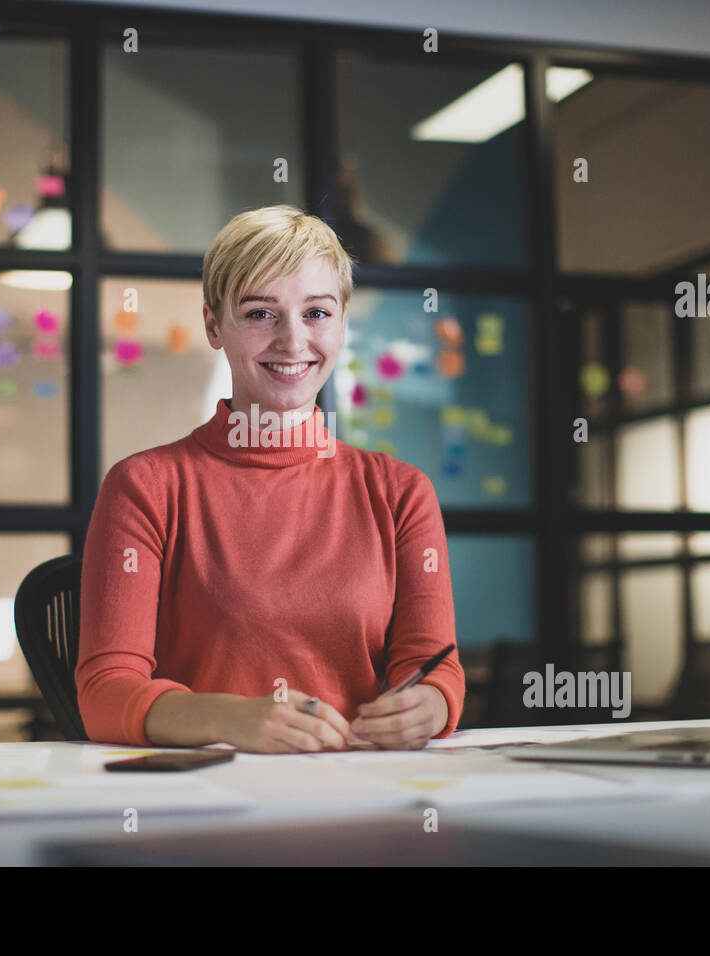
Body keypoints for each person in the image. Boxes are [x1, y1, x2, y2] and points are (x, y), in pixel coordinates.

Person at [75, 204, 464, 752]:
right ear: (214, 325)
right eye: (260, 313)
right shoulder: (146, 486)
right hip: (199, 805)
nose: (292, 340)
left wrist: (430, 705)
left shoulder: (400, 492)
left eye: (317, 313)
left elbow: (434, 668)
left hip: (356, 795)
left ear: (343, 325)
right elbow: (104, 693)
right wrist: (228, 720)